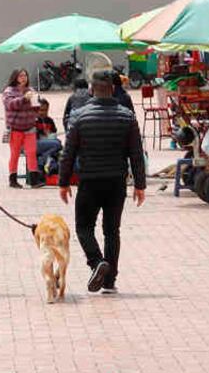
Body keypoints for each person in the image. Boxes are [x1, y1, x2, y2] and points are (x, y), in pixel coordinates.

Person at [59, 71, 146, 295]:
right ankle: (109, 281)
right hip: (116, 182)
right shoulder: (127, 116)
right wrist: (140, 184)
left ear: (91, 90)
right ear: (113, 89)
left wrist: (63, 182)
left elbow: (68, 152)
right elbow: (136, 154)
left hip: (89, 181)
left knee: (83, 227)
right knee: (112, 231)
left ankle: (97, 262)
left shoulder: (80, 116)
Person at [2, 69, 42, 188]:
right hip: (15, 128)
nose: (23, 78)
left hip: (29, 127)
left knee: (31, 152)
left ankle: (33, 180)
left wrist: (37, 103)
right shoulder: (9, 91)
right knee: (15, 154)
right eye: (20, 76)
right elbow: (10, 105)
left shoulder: (31, 90)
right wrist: (24, 98)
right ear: (15, 77)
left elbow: (36, 108)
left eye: (25, 75)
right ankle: (13, 179)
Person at [35, 98, 63, 177]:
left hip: (49, 142)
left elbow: (54, 131)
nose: (43, 113)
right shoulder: (35, 120)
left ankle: (43, 162)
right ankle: (44, 163)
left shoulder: (49, 120)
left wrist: (51, 134)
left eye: (45, 110)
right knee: (58, 144)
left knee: (55, 151)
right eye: (41, 110)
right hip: (38, 143)